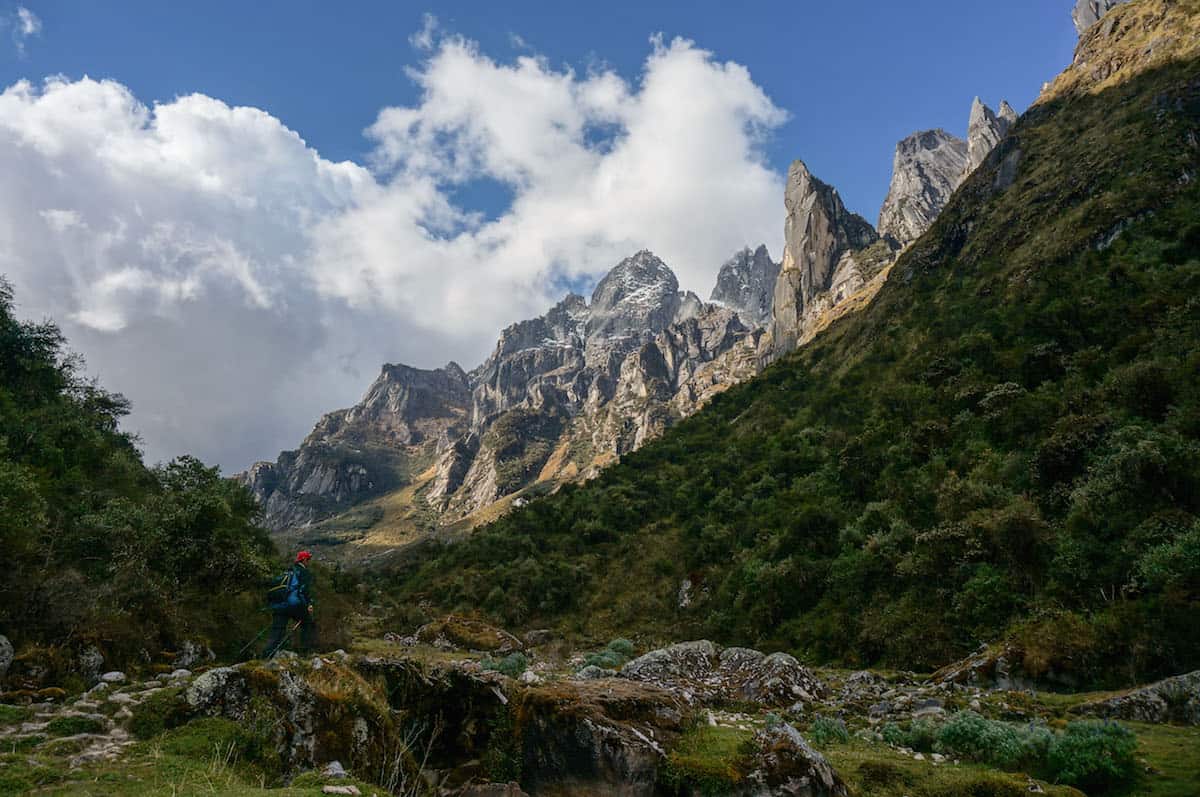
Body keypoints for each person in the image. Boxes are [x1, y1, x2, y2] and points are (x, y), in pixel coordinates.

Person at [264, 550, 316, 657]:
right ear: (304, 560)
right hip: (294, 605)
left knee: (277, 631)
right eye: (308, 559)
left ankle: (267, 654)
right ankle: (305, 654)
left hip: (280, 605)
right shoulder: (303, 572)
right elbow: (304, 591)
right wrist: (308, 605)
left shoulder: (289, 571)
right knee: (308, 624)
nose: (309, 562)